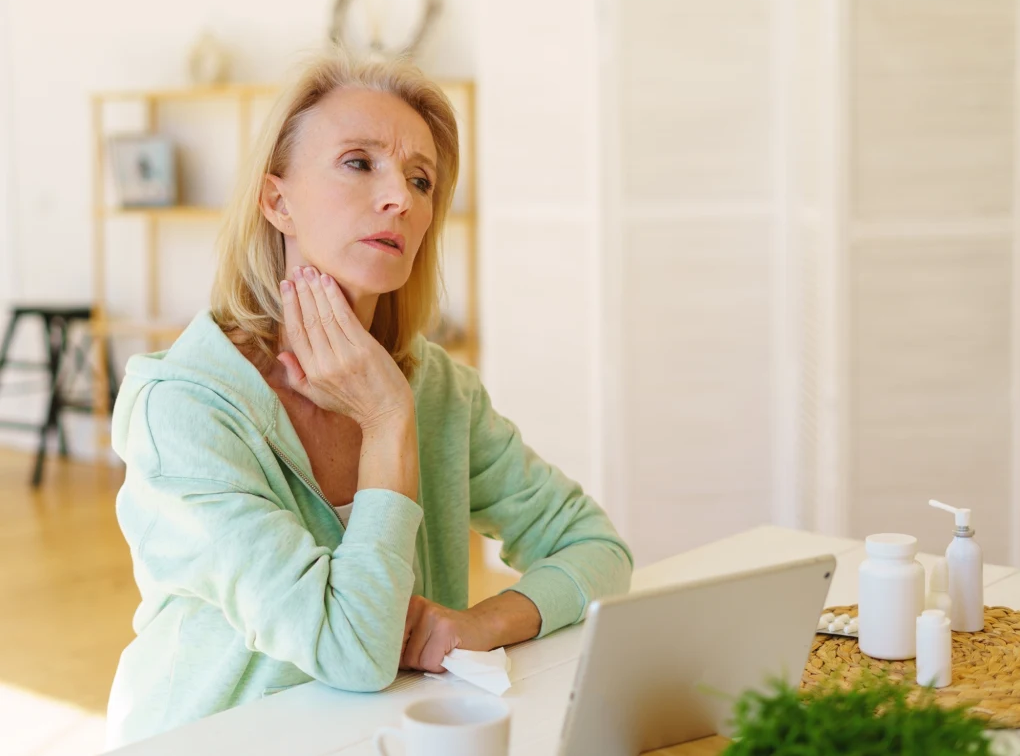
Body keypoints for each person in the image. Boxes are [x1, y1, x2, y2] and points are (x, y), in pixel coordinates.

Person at [104, 49, 633, 748]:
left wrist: (484, 621)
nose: (402, 198)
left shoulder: (438, 388)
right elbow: (353, 650)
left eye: (421, 180)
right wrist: (386, 424)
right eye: (360, 163)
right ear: (277, 200)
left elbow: (596, 547)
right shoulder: (181, 410)